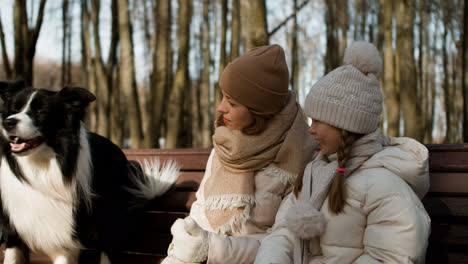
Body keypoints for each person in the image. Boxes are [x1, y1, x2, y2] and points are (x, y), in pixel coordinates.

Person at [254, 41, 431, 264]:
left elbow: (393, 257)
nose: (311, 129)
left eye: (319, 121)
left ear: (346, 125)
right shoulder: (313, 172)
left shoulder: (386, 187)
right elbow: (282, 236)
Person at [162, 44, 318, 264]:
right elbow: (201, 213)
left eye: (232, 102)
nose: (220, 108)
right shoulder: (225, 144)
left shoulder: (298, 157)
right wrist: (180, 251)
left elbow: (284, 244)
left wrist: (210, 248)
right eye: (223, 97)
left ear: (259, 111)